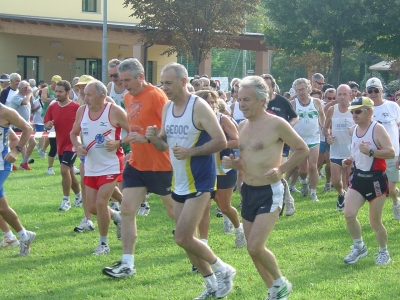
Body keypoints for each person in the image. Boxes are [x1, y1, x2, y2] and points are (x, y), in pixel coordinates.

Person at [145, 62, 236, 299]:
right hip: (179, 181)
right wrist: (154, 137)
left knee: (182, 236)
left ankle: (223, 269)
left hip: (201, 180)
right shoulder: (167, 108)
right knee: (186, 239)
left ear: (183, 82)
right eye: (162, 83)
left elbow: (221, 142)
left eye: (169, 83)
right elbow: (164, 145)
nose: (164, 88)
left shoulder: (199, 106)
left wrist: (191, 152)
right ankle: (212, 285)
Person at [222, 76, 309, 300]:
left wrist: (281, 169)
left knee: (255, 246)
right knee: (253, 250)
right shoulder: (242, 126)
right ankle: (274, 290)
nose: (241, 104)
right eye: (239, 99)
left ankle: (280, 282)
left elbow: (302, 149)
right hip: (248, 191)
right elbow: (246, 162)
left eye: (247, 99)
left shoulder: (276, 123)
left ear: (262, 100)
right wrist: (234, 164)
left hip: (269, 190)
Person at [102, 58, 174, 278]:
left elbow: (170, 129)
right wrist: (126, 142)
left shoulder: (156, 96)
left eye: (127, 80)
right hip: (136, 164)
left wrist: (146, 139)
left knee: (175, 213)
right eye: (120, 80)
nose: (123, 85)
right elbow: (133, 127)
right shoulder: (126, 96)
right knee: (126, 210)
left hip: (160, 164)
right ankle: (127, 264)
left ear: (141, 76)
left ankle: (198, 252)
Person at [70, 80, 127, 254]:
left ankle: (103, 244)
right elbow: (73, 133)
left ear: (102, 96)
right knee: (92, 207)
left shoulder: (114, 111)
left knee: (102, 202)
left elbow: (134, 132)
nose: (84, 97)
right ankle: (119, 216)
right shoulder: (82, 110)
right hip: (91, 164)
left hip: (111, 163)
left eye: (89, 94)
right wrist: (78, 145)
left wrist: (118, 142)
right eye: (84, 94)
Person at [342, 97, 394, 265]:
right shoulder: (354, 129)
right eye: (352, 112)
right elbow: (358, 152)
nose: (354, 115)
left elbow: (391, 152)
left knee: (375, 222)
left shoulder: (377, 129)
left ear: (369, 111)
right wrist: (350, 160)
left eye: (358, 111)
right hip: (358, 178)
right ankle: (359, 247)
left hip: (376, 180)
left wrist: (371, 152)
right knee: (349, 214)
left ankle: (383, 252)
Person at [0, 103, 36, 255]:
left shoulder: (6, 111)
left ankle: (14, 235)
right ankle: (23, 235)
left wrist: (16, 150)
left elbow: (28, 128)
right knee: (2, 207)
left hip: (2, 164)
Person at [44, 80, 82, 211]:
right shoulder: (52, 107)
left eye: (60, 92)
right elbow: (47, 122)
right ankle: (79, 196)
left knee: (64, 169)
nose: (57, 94)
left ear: (68, 92)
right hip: (60, 144)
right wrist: (47, 125)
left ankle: (66, 201)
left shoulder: (76, 107)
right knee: (70, 172)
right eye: (56, 91)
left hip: (73, 144)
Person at [366, 77, 400, 220]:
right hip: (374, 155)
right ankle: (376, 218)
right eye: (370, 91)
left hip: (392, 154)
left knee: (391, 189)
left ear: (381, 90)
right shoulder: (365, 110)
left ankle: (396, 203)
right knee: (377, 190)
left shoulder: (392, 106)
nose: (373, 94)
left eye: (376, 90)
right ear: (366, 92)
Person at [291, 78, 325, 201]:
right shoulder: (294, 103)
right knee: (303, 170)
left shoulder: (316, 102)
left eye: (302, 89)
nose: (300, 92)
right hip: (299, 141)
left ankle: (313, 193)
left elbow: (321, 114)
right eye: (298, 90)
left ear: (308, 89)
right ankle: (304, 181)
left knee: (313, 166)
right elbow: (289, 120)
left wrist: (323, 126)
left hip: (314, 138)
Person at [323, 84, 354, 210]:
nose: (342, 97)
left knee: (347, 179)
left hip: (350, 150)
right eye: (339, 94)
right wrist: (328, 136)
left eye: (344, 94)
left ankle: (347, 198)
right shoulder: (332, 110)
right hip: (335, 149)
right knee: (336, 181)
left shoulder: (355, 109)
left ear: (350, 95)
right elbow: (325, 128)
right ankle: (341, 194)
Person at [9, 80, 37, 170]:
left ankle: (24, 163)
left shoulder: (26, 97)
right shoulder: (16, 97)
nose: (29, 89)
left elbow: (27, 109)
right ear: (23, 89)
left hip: (26, 126)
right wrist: (29, 94)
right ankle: (9, 161)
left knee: (32, 143)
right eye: (27, 87)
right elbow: (24, 102)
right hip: (17, 125)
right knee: (17, 144)